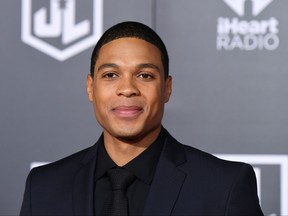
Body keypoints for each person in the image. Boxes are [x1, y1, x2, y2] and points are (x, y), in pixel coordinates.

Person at [20, 21, 263, 215]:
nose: (127, 88)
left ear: (167, 88)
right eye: (111, 74)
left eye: (145, 75)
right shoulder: (43, 187)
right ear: (90, 88)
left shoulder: (223, 187)